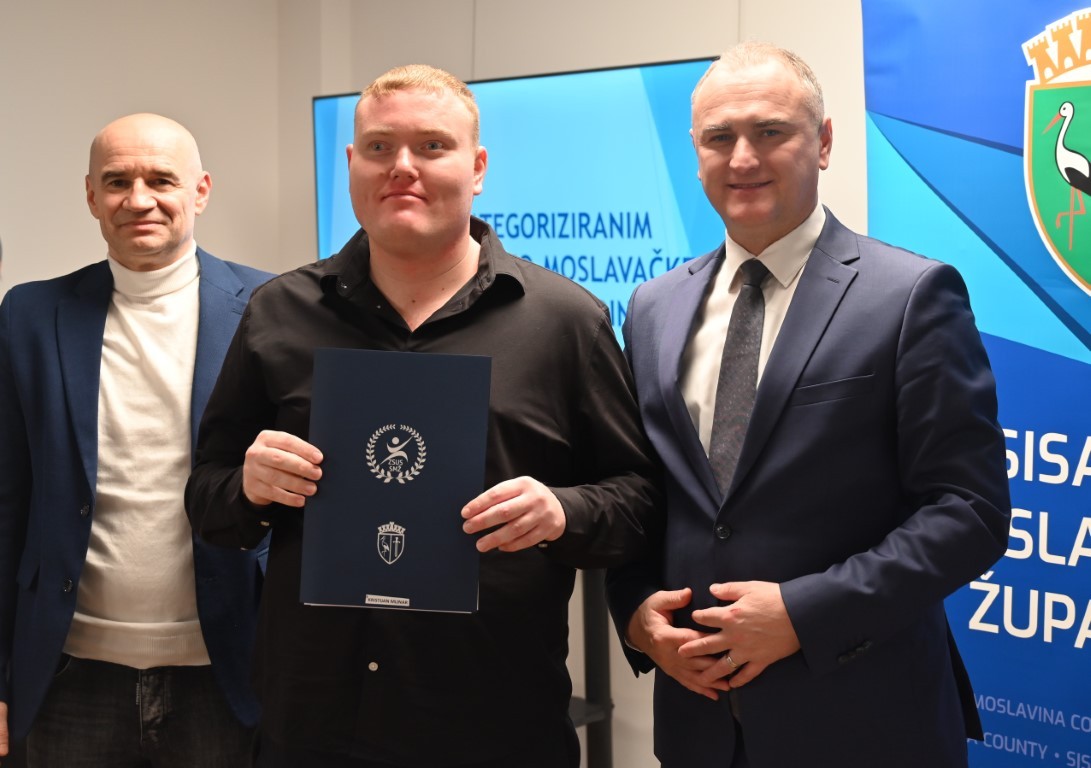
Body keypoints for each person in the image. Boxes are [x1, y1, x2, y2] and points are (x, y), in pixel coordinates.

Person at [184, 64, 661, 768]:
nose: (401, 167)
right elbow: (207, 497)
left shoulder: (565, 322)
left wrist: (563, 512)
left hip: (495, 726)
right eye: (379, 147)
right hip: (314, 728)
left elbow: (639, 502)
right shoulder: (278, 313)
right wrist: (247, 487)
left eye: (432, 146)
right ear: (352, 164)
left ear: (478, 167)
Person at [606, 42, 1012, 768]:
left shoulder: (910, 296)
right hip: (701, 726)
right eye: (718, 137)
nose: (742, 158)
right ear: (695, 154)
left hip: (864, 723)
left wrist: (802, 614)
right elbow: (644, 492)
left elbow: (968, 511)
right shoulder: (653, 307)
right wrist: (636, 614)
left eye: (770, 131)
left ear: (822, 143)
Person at [0, 113, 270, 767]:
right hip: (70, 676)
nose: (138, 199)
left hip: (229, 671)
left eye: (161, 180)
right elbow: (7, 503)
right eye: (117, 181)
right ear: (91, 195)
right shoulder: (29, 316)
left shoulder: (273, 308)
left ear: (200, 191)